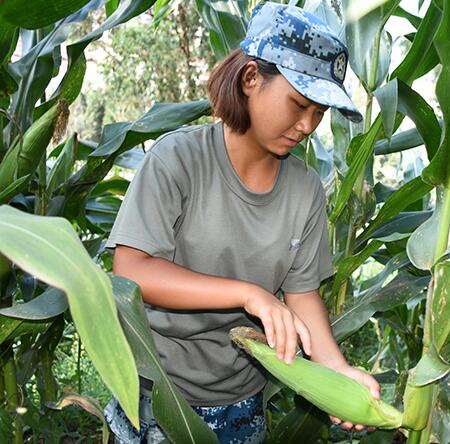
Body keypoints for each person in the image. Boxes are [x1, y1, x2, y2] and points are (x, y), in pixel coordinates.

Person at [103, 3, 380, 442]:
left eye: (320, 112)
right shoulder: (177, 161)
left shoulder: (305, 190)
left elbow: (303, 297)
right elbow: (132, 270)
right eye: (299, 103)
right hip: (156, 392)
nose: (308, 125)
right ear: (251, 79)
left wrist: (339, 371)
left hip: (241, 403)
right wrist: (250, 295)